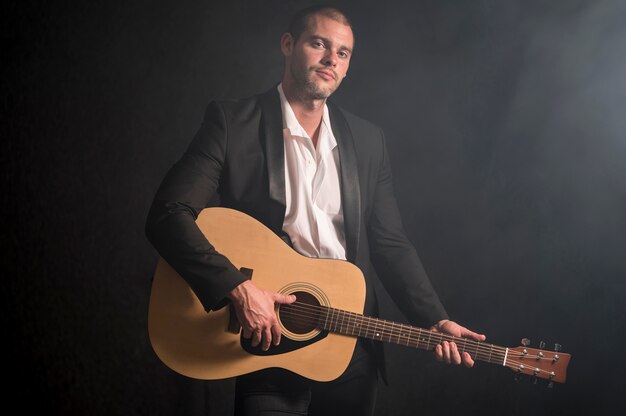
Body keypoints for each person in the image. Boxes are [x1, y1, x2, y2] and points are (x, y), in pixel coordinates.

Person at [146, 5, 486, 416]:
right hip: (265, 343)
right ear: (289, 45)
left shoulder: (368, 140)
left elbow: (390, 243)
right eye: (319, 44)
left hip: (349, 349)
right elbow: (168, 213)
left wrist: (435, 318)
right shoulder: (233, 122)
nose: (331, 59)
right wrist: (237, 287)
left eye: (342, 53)